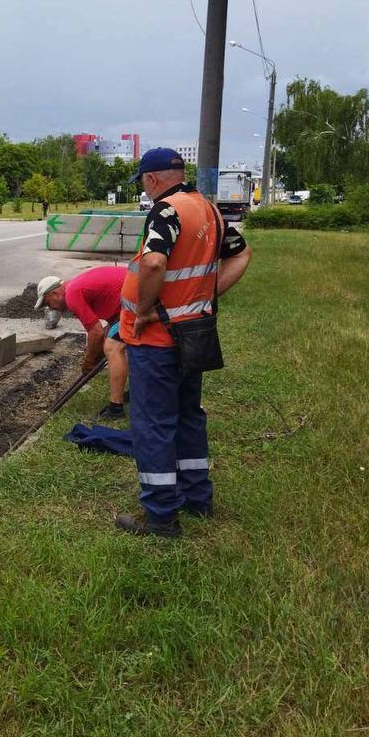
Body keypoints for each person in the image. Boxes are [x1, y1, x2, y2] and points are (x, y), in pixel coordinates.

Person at [115, 148, 251, 538]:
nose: (144, 188)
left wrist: (143, 312)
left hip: (157, 340)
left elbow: (154, 263)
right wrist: (204, 299)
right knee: (189, 415)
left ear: (152, 179)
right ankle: (196, 499)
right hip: (194, 334)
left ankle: (160, 516)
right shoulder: (207, 209)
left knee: (154, 423)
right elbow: (242, 256)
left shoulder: (166, 211)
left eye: (142, 182)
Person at [35, 266, 130, 417]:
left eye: (48, 303)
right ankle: (136, 392)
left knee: (113, 348)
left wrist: (89, 361)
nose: (51, 308)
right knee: (117, 342)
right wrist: (96, 352)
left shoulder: (72, 294)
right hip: (131, 297)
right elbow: (107, 325)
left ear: (54, 293)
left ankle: (116, 408)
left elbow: (95, 332)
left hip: (134, 299)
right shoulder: (76, 286)